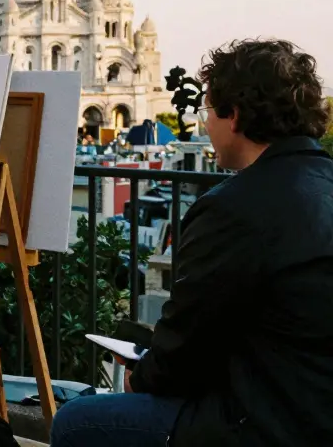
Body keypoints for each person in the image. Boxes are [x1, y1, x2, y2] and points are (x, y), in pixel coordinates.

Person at [51, 38, 333, 447]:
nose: (204, 127)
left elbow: (187, 344)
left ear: (233, 115)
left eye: (208, 112)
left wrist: (141, 375)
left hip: (267, 422)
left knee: (77, 422)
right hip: (308, 406)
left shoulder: (234, 208)